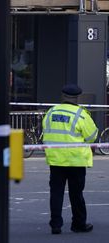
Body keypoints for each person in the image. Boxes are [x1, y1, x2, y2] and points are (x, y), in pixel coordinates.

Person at [42, 83, 98, 235]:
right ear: (77, 98)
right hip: (76, 160)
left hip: (56, 160)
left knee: (56, 193)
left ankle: (56, 225)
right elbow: (92, 137)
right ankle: (78, 224)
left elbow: (45, 132)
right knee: (76, 194)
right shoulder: (81, 114)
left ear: (62, 96)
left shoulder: (51, 112)